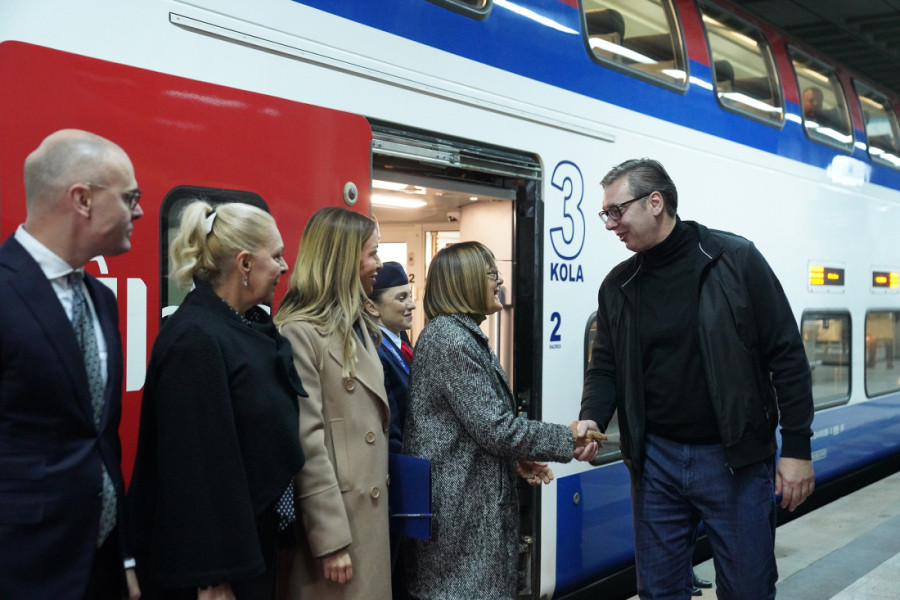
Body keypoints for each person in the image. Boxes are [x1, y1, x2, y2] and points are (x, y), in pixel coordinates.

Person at [576, 158, 815, 600]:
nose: (610, 224)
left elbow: (786, 355)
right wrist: (591, 416)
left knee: (748, 589)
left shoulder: (734, 260)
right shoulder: (619, 285)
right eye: (605, 214)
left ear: (654, 203)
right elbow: (605, 366)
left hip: (733, 460)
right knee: (660, 591)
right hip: (655, 462)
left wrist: (797, 448)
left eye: (616, 211)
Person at [128, 201, 306, 599]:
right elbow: (194, 469)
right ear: (244, 264)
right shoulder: (195, 339)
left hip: (247, 546)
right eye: (276, 256)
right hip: (214, 567)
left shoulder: (240, 328)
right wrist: (214, 578)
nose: (284, 267)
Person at [0, 129, 143, 599]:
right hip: (23, 568)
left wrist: (121, 557)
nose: (139, 211)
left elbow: (99, 440)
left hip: (98, 566)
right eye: (129, 197)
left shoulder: (100, 300)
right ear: (82, 199)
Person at [402, 241, 588, 600]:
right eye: (491, 273)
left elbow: (472, 430)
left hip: (469, 514)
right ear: (465, 281)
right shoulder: (450, 340)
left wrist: (515, 459)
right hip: (461, 523)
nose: (499, 281)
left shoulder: (460, 335)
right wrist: (565, 437)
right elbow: (495, 429)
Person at [274, 206, 390, 600]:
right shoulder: (298, 333)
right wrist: (331, 540)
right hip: (337, 527)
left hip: (364, 520)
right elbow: (308, 443)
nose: (379, 263)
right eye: (372, 254)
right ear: (343, 259)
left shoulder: (358, 325)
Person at [365, 261, 416, 454]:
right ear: (372, 307)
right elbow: (389, 427)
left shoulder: (401, 340)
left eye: (409, 295)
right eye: (401, 298)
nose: (412, 304)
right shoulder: (374, 351)